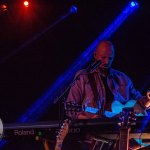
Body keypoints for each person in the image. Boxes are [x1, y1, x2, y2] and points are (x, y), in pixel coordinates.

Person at [64, 40, 150, 150]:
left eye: (110, 58)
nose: (106, 62)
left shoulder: (122, 78)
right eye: (103, 57)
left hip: (123, 135)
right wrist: (88, 118)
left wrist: (148, 100)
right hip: (93, 136)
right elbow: (71, 108)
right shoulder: (83, 76)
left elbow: (139, 103)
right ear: (95, 55)